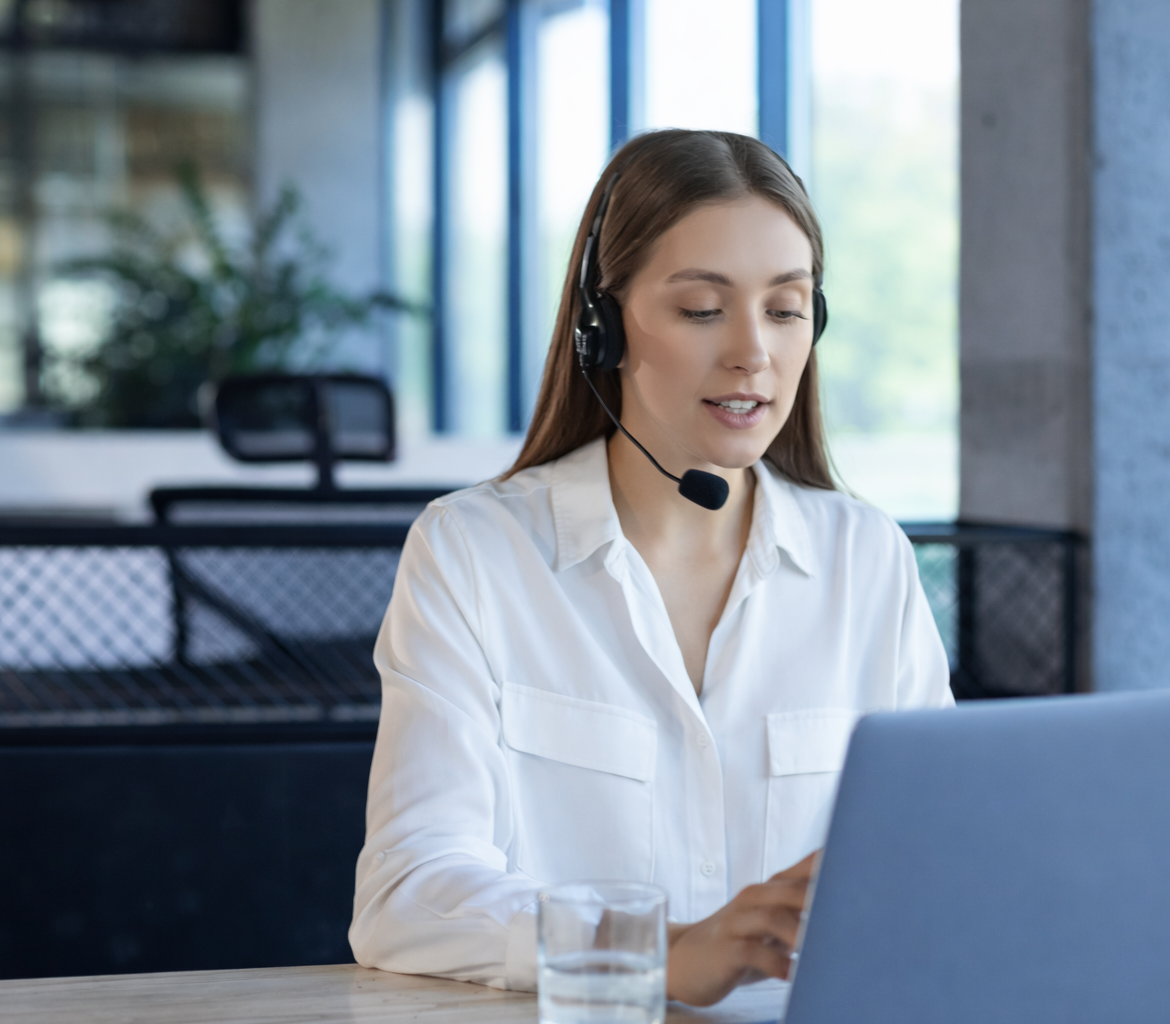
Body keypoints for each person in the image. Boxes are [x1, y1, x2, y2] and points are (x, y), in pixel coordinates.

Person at [349, 129, 952, 1006]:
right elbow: (408, 894)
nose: (753, 352)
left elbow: (939, 858)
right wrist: (656, 951)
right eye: (703, 309)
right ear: (605, 328)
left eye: (786, 309)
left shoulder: (866, 558)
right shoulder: (476, 551)